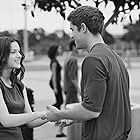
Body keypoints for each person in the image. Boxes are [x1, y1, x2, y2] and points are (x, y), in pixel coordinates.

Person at [46, 5, 131, 140]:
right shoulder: (117, 58)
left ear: (84, 28)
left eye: (72, 30)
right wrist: (73, 117)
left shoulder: (93, 59)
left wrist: (60, 114)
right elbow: (105, 104)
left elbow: (91, 111)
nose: (72, 35)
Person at [0, 36, 49, 140]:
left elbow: (30, 122)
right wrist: (39, 113)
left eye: (19, 51)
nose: (20, 56)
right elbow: (6, 120)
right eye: (13, 52)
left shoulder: (19, 85)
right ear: (2, 56)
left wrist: (52, 115)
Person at [47, 45, 66, 137]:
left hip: (56, 82)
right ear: (55, 50)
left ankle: (57, 120)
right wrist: (55, 87)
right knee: (60, 101)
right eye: (59, 48)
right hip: (55, 82)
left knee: (59, 102)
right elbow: (54, 75)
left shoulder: (55, 60)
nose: (60, 49)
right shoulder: (54, 61)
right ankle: (49, 109)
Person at [63, 39, 80, 105]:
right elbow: (72, 77)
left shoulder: (68, 58)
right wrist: (78, 88)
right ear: (73, 47)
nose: (80, 49)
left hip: (67, 86)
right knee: (73, 108)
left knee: (69, 107)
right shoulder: (73, 60)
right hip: (71, 88)